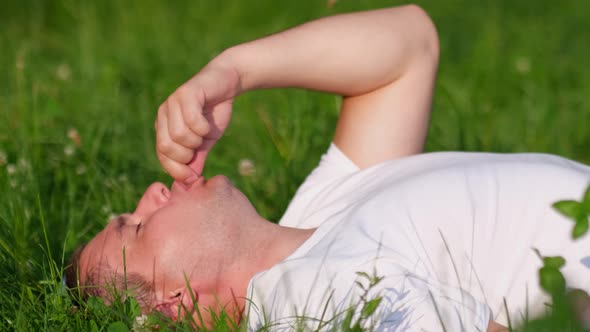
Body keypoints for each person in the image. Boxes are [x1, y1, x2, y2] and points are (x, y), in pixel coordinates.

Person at [66, 5, 590, 331]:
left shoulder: (317, 211)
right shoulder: (307, 307)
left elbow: (408, 46)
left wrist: (232, 71)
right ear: (172, 302)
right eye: (134, 226)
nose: (152, 191)